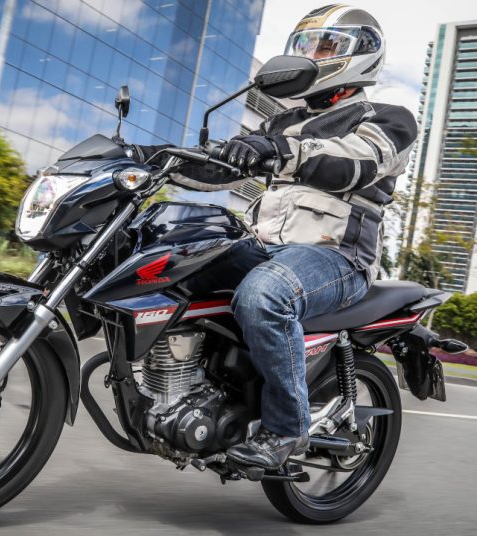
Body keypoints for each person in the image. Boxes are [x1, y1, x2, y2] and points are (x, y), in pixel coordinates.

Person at [157, 4, 417, 470]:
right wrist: (156, 160)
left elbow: (352, 162)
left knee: (264, 295)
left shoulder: (389, 118)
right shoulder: (280, 122)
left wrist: (279, 150)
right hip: (264, 248)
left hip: (336, 258)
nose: (312, 56)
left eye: (326, 47)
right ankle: (187, 392)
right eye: (305, 46)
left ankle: (286, 429)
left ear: (362, 53)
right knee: (167, 264)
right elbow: (221, 169)